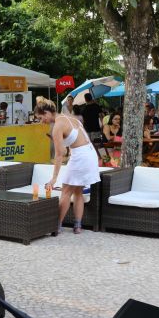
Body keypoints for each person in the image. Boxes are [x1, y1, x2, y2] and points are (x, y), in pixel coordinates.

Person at [35, 100, 100, 234]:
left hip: (81, 156)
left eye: (41, 118)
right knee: (78, 192)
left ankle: (56, 226)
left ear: (47, 113)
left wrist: (53, 179)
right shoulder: (69, 117)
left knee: (66, 191)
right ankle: (77, 226)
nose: (42, 121)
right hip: (90, 153)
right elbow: (71, 145)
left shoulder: (58, 126)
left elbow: (60, 154)